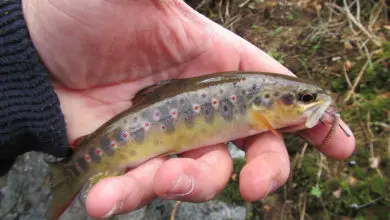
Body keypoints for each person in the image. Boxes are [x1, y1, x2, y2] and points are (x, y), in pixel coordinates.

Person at [0, 0, 355, 218]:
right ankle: (70, 173)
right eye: (306, 100)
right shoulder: (255, 106)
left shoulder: (258, 106)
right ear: (267, 103)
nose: (314, 105)